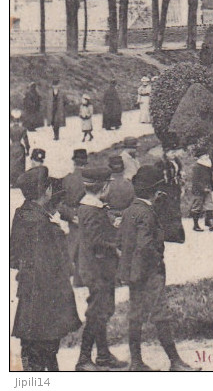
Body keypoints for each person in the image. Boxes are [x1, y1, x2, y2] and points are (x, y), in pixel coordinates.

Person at [118, 165, 200, 371]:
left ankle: (136, 362)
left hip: (132, 272)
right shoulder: (147, 213)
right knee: (160, 314)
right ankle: (175, 361)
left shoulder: (129, 211)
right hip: (149, 272)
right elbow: (145, 246)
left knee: (135, 316)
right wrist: (155, 263)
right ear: (155, 192)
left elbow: (124, 242)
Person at [11, 166, 82, 371]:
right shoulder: (48, 229)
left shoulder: (21, 215)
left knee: (31, 351)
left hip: (28, 295)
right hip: (46, 302)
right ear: (46, 191)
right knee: (47, 353)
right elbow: (62, 270)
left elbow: (12, 258)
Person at [75, 165, 129, 371]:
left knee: (103, 310)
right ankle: (83, 359)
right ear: (104, 187)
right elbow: (95, 241)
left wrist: (112, 225)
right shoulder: (91, 209)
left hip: (99, 268)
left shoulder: (93, 206)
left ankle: (103, 356)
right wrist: (116, 247)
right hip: (96, 269)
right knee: (97, 312)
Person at [58, 148, 90, 287]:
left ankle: (73, 277)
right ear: (86, 163)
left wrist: (71, 216)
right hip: (88, 215)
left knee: (74, 244)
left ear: (74, 162)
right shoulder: (90, 179)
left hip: (73, 217)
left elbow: (60, 204)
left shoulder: (67, 179)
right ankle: (82, 278)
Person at [189, 146, 213, 231]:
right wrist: (202, 188)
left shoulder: (208, 164)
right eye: (204, 155)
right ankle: (196, 224)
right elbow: (195, 180)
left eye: (207, 154)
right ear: (199, 157)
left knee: (210, 205)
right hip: (199, 190)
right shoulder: (197, 167)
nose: (206, 156)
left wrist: (212, 185)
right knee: (197, 206)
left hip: (208, 187)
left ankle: (210, 222)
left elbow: (210, 177)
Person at [106, 155, 136, 220]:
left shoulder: (106, 185)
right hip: (127, 215)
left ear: (110, 168)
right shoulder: (130, 183)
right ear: (123, 168)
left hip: (110, 216)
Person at [10, 109, 30, 188]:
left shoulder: (9, 129)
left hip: (11, 147)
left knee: (12, 165)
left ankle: (12, 181)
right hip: (20, 147)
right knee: (20, 166)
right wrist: (28, 149)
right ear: (19, 119)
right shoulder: (23, 129)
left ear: (12, 119)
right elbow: (26, 140)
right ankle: (19, 181)